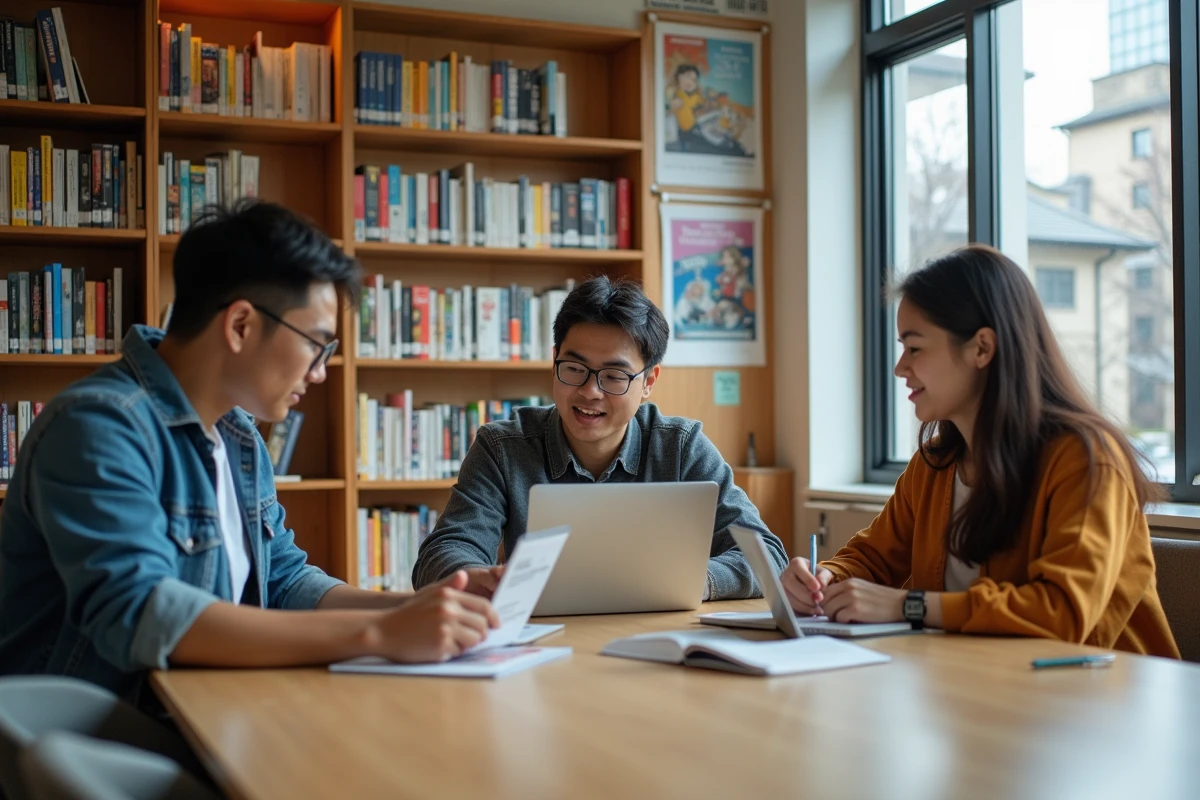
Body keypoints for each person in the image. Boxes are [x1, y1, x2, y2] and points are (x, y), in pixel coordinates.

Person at [0, 200, 500, 705]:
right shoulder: (98, 426)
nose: (320, 372)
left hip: (200, 713)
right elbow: (140, 612)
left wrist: (420, 607)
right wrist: (378, 636)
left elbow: (282, 578)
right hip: (91, 744)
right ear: (240, 324)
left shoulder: (238, 434)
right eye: (317, 346)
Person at [781, 244, 1179, 658]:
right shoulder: (936, 462)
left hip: (1102, 704)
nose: (900, 367)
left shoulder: (1086, 459)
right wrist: (824, 579)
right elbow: (873, 558)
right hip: (984, 690)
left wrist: (907, 606)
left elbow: (1061, 614)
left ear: (982, 348)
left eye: (914, 348)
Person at [412, 275, 787, 600]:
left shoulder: (681, 447)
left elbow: (767, 555)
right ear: (554, 359)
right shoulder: (502, 448)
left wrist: (692, 582)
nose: (590, 392)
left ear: (649, 382)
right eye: (575, 368)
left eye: (613, 376)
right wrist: (478, 579)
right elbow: (442, 553)